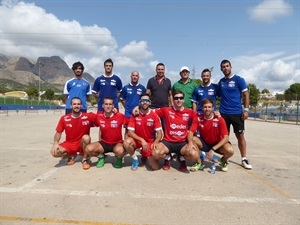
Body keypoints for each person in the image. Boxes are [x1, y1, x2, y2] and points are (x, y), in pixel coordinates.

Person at [150, 90, 199, 173]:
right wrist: (137, 108)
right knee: (156, 153)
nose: (178, 100)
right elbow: (150, 111)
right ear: (173, 99)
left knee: (194, 155)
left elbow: (200, 118)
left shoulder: (189, 112)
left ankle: (181, 158)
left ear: (183, 100)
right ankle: (168, 157)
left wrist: (191, 132)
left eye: (181, 98)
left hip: (182, 143)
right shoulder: (166, 110)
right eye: (176, 98)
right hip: (167, 142)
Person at [218, 59, 252, 169]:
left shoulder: (239, 80)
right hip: (224, 113)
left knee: (240, 136)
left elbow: (246, 94)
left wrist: (246, 110)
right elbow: (216, 94)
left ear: (231, 67)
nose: (225, 68)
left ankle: (244, 159)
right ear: (221, 69)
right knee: (224, 137)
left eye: (227, 66)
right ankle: (225, 159)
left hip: (237, 113)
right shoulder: (221, 82)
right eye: (223, 67)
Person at [189, 98, 234, 172]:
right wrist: (190, 144)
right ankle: (199, 162)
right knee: (193, 139)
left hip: (217, 144)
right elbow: (190, 132)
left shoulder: (220, 119)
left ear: (213, 108)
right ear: (202, 108)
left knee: (230, 150)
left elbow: (226, 138)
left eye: (209, 107)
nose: (207, 109)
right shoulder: (198, 118)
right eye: (205, 107)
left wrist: (213, 149)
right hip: (205, 143)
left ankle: (224, 160)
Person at [50, 97, 96, 169]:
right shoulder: (64, 118)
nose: (76, 106)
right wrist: (55, 143)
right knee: (55, 152)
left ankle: (85, 158)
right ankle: (71, 155)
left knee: (86, 138)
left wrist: (113, 112)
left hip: (82, 143)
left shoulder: (88, 116)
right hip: (70, 144)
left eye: (78, 104)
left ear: (81, 105)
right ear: (71, 106)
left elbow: (102, 118)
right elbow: (58, 132)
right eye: (74, 104)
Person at [83, 97, 126, 169]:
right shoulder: (99, 117)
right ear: (103, 105)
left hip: (117, 143)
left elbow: (131, 123)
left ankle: (119, 158)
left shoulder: (120, 116)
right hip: (104, 143)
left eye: (110, 104)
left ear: (113, 106)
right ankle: (101, 157)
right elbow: (86, 117)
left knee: (120, 151)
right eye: (106, 104)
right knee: (88, 149)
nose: (108, 106)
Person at [123, 94, 163, 171]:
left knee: (155, 167)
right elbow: (130, 132)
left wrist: (155, 142)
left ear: (150, 102)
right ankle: (135, 159)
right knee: (126, 142)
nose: (145, 102)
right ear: (140, 102)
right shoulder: (135, 114)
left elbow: (159, 133)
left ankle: (145, 155)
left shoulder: (154, 115)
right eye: (143, 101)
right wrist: (141, 140)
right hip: (137, 141)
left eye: (147, 101)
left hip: (149, 142)